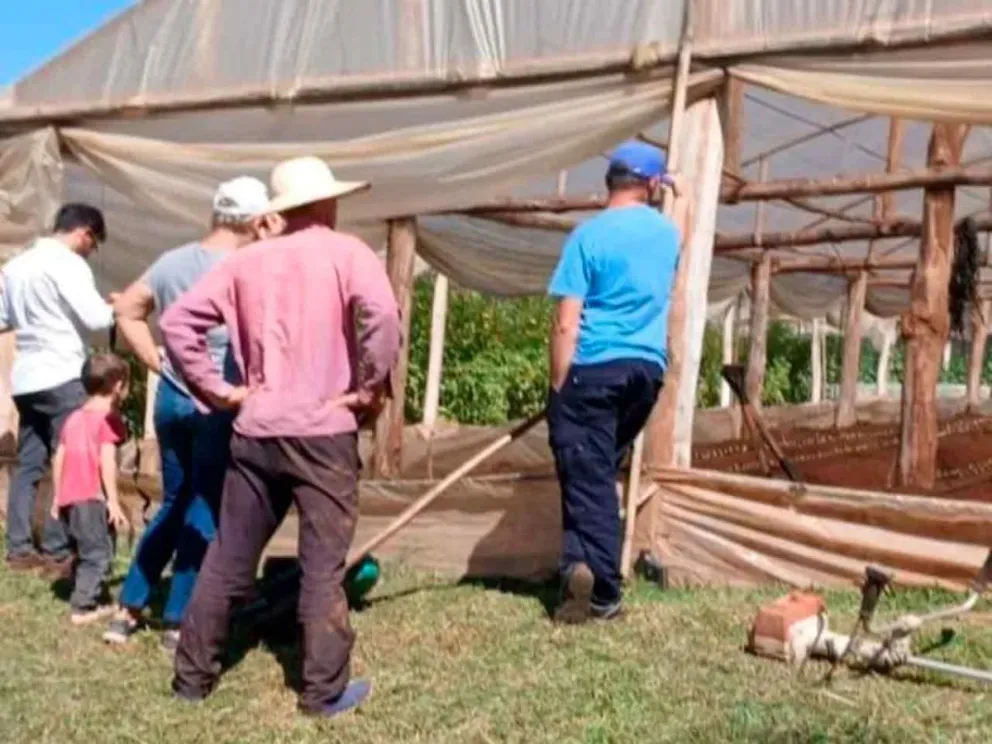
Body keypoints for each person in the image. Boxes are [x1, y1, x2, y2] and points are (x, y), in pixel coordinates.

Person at [160, 156, 400, 716]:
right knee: (322, 567)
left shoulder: (247, 263)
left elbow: (176, 324)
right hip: (323, 431)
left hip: (256, 429)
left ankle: (191, 680)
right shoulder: (348, 253)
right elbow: (383, 317)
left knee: (228, 558)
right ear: (327, 202)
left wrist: (218, 391)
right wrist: (369, 387)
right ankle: (323, 692)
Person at [104, 177, 279, 651]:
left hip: (173, 399)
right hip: (218, 402)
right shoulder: (249, 266)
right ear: (256, 220)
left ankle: (129, 607)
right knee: (205, 506)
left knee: (174, 501)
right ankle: (180, 617)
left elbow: (128, 310)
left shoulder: (172, 261)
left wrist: (158, 362)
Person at [546, 140, 688, 625]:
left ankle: (604, 590)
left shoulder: (588, 237)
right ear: (651, 185)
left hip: (594, 366)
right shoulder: (669, 237)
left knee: (589, 477)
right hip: (645, 372)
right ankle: (575, 570)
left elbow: (567, 321)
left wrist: (560, 384)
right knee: (591, 469)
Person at [0, 204, 114, 578]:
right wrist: (114, 307)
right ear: (84, 232)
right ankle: (57, 550)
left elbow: (3, 319)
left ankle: (18, 549)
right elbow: (95, 318)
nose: (90, 251)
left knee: (28, 464)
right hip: (62, 372)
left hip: (27, 377)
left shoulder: (15, 267)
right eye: (92, 243)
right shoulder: (68, 264)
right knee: (67, 460)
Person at [49, 352, 131, 624]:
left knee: (83, 549)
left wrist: (57, 497)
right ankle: (83, 606)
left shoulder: (73, 418)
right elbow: (107, 461)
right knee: (98, 554)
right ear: (118, 384)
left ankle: (84, 589)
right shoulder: (109, 419)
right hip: (92, 497)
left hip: (70, 498)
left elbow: (59, 456)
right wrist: (114, 501)